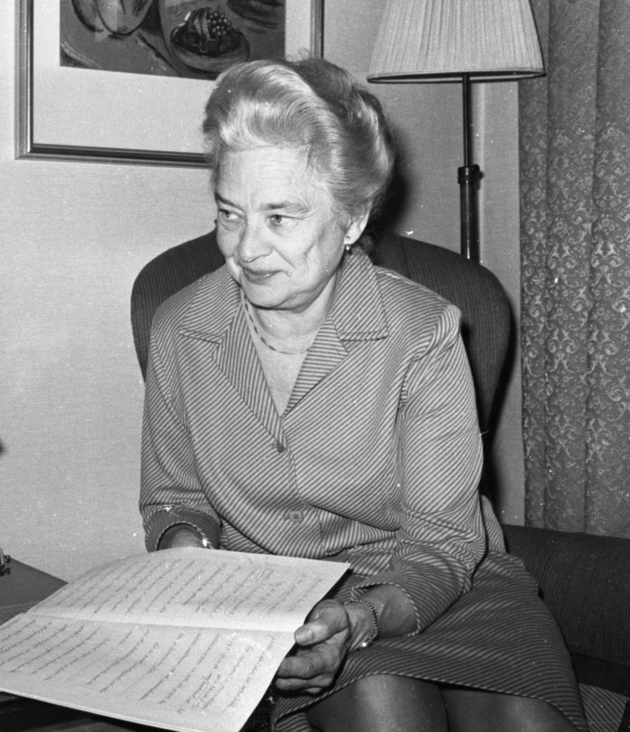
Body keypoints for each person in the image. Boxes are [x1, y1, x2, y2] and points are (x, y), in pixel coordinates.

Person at [139, 58, 585, 732]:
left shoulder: (422, 333)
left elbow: (443, 542)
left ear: (351, 220)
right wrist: (186, 553)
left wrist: (366, 615)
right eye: (230, 213)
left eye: (280, 217)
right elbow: (175, 498)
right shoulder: (181, 328)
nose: (245, 249)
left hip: (447, 582)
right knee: (385, 710)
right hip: (286, 606)